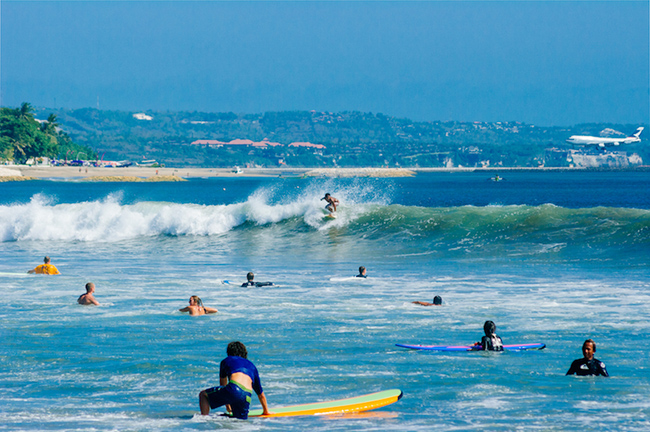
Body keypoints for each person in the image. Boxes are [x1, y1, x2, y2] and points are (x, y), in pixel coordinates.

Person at [199, 341, 271, 419]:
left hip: (234, 388)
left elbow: (223, 386)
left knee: (203, 395)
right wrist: (266, 412)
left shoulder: (226, 360)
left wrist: (228, 407)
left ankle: (204, 420)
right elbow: (261, 395)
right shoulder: (252, 366)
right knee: (238, 421)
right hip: (247, 396)